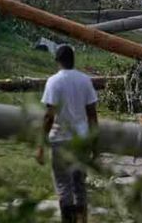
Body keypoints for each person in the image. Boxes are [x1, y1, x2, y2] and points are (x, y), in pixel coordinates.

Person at [36, 45, 99, 223]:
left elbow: (49, 116)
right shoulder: (85, 80)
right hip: (81, 139)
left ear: (58, 61)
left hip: (60, 139)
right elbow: (92, 114)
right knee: (79, 185)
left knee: (64, 185)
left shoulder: (54, 82)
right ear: (73, 60)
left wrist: (41, 145)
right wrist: (95, 144)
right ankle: (82, 220)